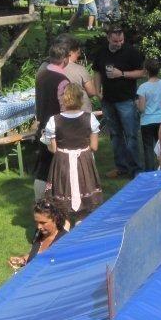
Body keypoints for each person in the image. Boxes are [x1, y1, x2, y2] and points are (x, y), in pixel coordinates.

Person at [43, 83, 104, 219]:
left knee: (62, 203)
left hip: (62, 162)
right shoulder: (90, 118)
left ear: (64, 99)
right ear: (80, 98)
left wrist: (47, 143)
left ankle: (65, 227)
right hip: (84, 161)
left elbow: (53, 149)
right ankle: (80, 225)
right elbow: (94, 147)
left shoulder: (54, 121)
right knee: (84, 202)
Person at [93, 26, 145, 179]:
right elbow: (96, 72)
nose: (119, 43)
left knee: (131, 135)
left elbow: (142, 72)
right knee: (115, 135)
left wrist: (121, 73)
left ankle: (136, 169)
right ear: (108, 38)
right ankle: (121, 167)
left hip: (126, 100)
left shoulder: (131, 52)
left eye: (121, 40)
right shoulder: (102, 52)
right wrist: (97, 92)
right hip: (108, 100)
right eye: (115, 41)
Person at [34, 41, 71, 198]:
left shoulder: (41, 75)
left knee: (43, 167)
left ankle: (39, 202)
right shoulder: (62, 80)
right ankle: (60, 199)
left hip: (43, 124)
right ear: (66, 59)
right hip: (57, 128)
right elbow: (64, 108)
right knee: (61, 165)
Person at [8, 198, 68, 270]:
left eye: (43, 223)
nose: (39, 227)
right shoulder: (39, 234)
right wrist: (23, 260)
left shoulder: (64, 241)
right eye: (36, 222)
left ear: (56, 219)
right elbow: (37, 255)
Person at [136, 58, 161, 172]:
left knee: (148, 148)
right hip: (160, 120)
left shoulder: (142, 87)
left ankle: (150, 172)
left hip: (147, 121)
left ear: (146, 71)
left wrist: (136, 103)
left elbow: (142, 108)